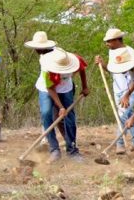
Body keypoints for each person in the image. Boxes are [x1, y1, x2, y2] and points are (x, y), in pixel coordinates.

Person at [27, 32, 89, 162]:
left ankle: (72, 150)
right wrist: (60, 107)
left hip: (66, 88)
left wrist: (85, 87)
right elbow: (50, 88)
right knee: (46, 114)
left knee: (69, 117)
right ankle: (54, 149)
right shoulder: (47, 65)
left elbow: (82, 68)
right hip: (47, 89)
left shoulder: (70, 58)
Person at [95, 28, 134, 153]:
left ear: (117, 40)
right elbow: (111, 69)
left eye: (109, 41)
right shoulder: (112, 52)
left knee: (122, 115)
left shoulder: (131, 53)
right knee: (129, 114)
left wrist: (128, 94)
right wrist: (102, 63)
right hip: (118, 89)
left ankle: (119, 144)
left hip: (131, 89)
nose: (107, 44)